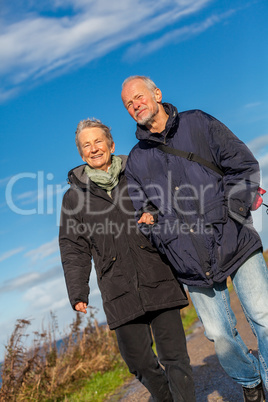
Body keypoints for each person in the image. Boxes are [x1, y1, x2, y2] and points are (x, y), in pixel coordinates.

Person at [121, 75, 268, 402]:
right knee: (218, 334)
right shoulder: (136, 160)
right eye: (129, 104)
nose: (136, 105)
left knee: (264, 317)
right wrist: (153, 226)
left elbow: (241, 165)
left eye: (139, 97)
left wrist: (234, 210)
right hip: (188, 257)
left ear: (156, 93)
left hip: (235, 236)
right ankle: (249, 381)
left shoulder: (198, 122)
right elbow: (141, 210)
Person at [58, 118, 196, 402]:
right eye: (87, 145)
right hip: (117, 287)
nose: (94, 148)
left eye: (98, 141)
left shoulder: (136, 172)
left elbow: (167, 205)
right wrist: (77, 291)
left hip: (157, 274)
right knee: (139, 363)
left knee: (175, 358)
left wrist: (154, 215)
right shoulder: (73, 199)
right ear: (80, 153)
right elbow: (72, 246)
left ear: (111, 144)